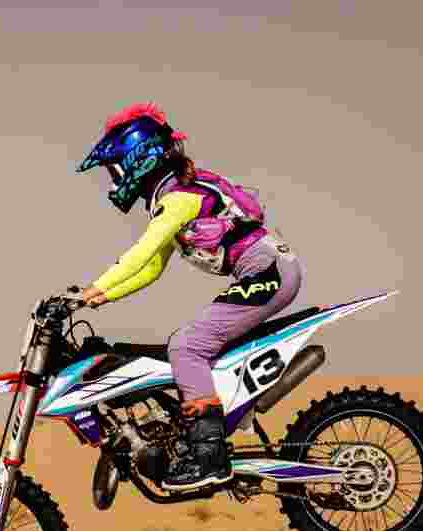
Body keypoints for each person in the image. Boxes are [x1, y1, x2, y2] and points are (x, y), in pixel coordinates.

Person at [75, 102, 302, 492]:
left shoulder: (179, 198)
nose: (115, 178)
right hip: (268, 271)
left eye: (116, 167)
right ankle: (207, 430)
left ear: (138, 158)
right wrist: (102, 297)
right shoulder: (173, 196)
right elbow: (150, 269)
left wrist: (95, 287)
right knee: (190, 345)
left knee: (186, 347)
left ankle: (210, 456)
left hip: (268, 272)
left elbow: (142, 251)